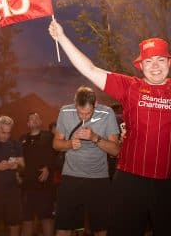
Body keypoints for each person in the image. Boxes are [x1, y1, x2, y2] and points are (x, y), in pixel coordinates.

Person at [49, 19, 171, 236]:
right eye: (149, 62)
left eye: (160, 60)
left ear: (170, 64)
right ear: (140, 66)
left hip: (169, 183)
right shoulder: (130, 87)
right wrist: (62, 38)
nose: (155, 66)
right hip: (130, 180)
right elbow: (90, 69)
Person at [52, 86, 119, 236]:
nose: (83, 117)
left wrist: (95, 137)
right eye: (80, 112)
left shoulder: (107, 113)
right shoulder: (65, 111)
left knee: (100, 227)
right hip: (70, 176)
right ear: (75, 105)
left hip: (98, 178)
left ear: (95, 105)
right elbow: (56, 144)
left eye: (88, 113)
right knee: (63, 226)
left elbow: (115, 150)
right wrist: (69, 144)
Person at [20, 112, 55, 236]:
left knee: (46, 218)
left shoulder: (49, 136)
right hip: (27, 185)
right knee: (27, 219)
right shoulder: (22, 139)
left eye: (36, 118)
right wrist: (18, 174)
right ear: (28, 124)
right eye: (31, 119)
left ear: (40, 122)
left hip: (44, 184)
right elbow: (19, 159)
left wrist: (48, 168)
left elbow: (56, 155)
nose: (34, 120)